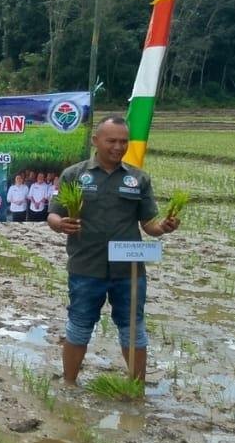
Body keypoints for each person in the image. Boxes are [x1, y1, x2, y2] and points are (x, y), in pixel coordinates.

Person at [48, 116, 179, 385]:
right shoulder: (74, 175)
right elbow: (53, 215)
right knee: (79, 327)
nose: (118, 147)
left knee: (133, 329)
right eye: (112, 141)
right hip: (86, 265)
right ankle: (69, 384)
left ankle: (136, 388)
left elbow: (148, 225)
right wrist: (61, 224)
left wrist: (164, 227)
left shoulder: (138, 178)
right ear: (96, 141)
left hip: (128, 268)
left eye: (123, 141)